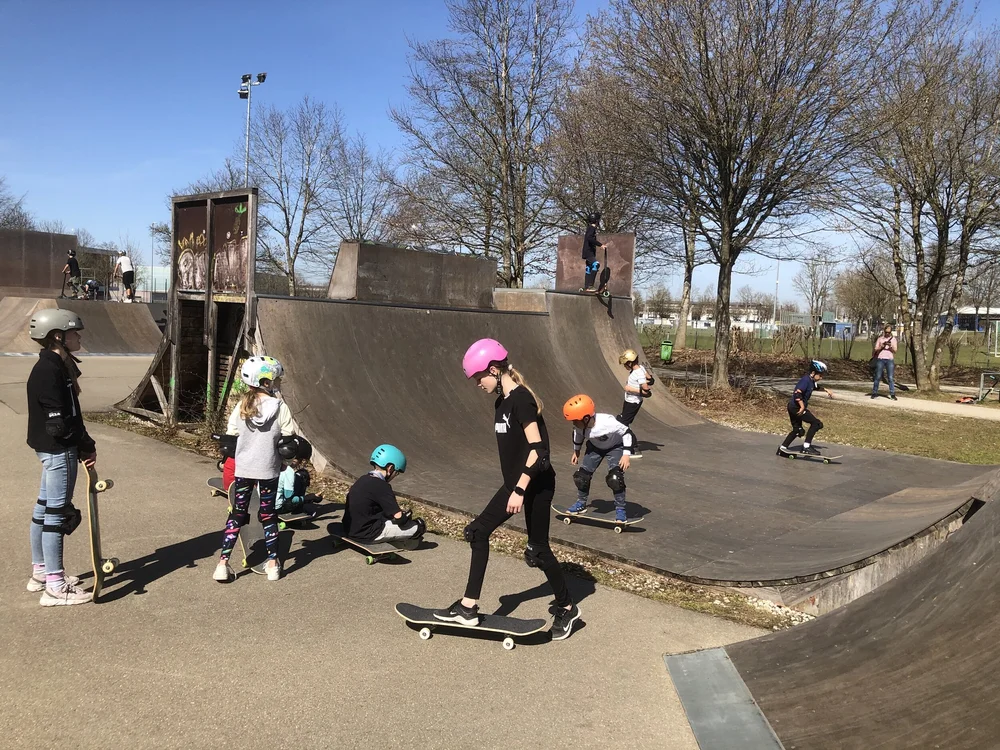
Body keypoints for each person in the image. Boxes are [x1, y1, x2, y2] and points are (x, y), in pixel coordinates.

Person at [434, 338, 581, 641]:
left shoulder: (522, 400)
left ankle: (567, 607)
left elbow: (539, 450)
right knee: (477, 532)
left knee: (537, 551)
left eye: (478, 377)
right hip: (516, 484)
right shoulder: (501, 402)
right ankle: (468, 607)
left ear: (494, 369)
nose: (477, 383)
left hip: (536, 486)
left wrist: (520, 489)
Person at [25, 309, 96, 606]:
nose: (79, 336)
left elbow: (69, 416)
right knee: (56, 514)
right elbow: (61, 422)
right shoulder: (50, 371)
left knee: (44, 509)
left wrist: (82, 441)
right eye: (74, 332)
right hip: (58, 451)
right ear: (58, 336)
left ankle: (41, 571)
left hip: (52, 448)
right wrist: (83, 446)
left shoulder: (56, 366)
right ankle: (55, 585)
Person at [213, 356, 296, 583]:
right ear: (266, 382)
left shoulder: (242, 406)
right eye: (276, 379)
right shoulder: (280, 407)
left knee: (237, 514)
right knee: (268, 515)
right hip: (268, 470)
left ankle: (222, 564)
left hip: (244, 470)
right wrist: (284, 463)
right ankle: (272, 564)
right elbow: (288, 441)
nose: (278, 383)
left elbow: (231, 436)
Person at [562, 394, 634, 522]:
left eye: (575, 420)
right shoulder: (580, 427)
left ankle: (620, 509)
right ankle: (581, 503)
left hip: (615, 447)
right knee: (581, 477)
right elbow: (578, 436)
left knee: (615, 478)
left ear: (585, 418)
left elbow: (627, 432)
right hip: (595, 448)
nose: (574, 423)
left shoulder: (607, 422)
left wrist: (626, 455)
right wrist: (576, 451)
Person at [341, 445, 426, 543]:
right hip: (367, 534)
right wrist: (406, 518)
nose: (395, 476)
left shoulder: (362, 479)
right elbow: (399, 518)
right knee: (419, 525)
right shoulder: (382, 486)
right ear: (390, 468)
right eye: (396, 473)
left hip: (348, 528)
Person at [777, 360, 835, 456]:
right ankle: (806, 447)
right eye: (820, 375)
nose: (821, 377)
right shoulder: (805, 380)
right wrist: (802, 406)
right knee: (816, 423)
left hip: (792, 407)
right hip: (796, 408)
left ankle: (782, 449)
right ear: (813, 373)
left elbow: (815, 387)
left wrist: (826, 390)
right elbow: (797, 393)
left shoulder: (811, 381)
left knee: (798, 430)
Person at [616, 348, 654, 459]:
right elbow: (650, 379)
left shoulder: (638, 373)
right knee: (623, 420)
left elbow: (646, 389)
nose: (624, 366)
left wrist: (629, 389)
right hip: (629, 401)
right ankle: (627, 443)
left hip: (633, 402)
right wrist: (649, 381)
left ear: (630, 362)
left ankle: (633, 448)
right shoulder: (640, 368)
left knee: (622, 424)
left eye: (625, 364)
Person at [275, 436, 322, 514]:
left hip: (266, 503)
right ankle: (297, 510)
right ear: (293, 458)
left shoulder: (274, 463)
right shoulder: (288, 471)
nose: (300, 463)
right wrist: (310, 498)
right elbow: (290, 499)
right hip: (278, 508)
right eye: (299, 460)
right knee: (302, 475)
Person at [580, 212, 608, 292]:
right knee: (596, 264)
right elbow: (589, 238)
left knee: (589, 267)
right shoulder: (592, 228)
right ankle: (590, 286)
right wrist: (601, 245)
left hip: (588, 251)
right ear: (596, 221)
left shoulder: (589, 228)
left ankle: (586, 286)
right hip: (588, 252)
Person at [871, 324, 898, 400]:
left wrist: (890, 347)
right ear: (884, 331)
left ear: (890, 332)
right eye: (886, 332)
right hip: (881, 358)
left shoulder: (893, 339)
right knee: (878, 376)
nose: (887, 334)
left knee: (890, 377)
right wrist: (881, 346)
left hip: (889, 359)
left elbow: (895, 350)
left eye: (889, 332)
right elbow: (876, 349)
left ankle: (892, 394)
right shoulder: (880, 339)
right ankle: (874, 392)